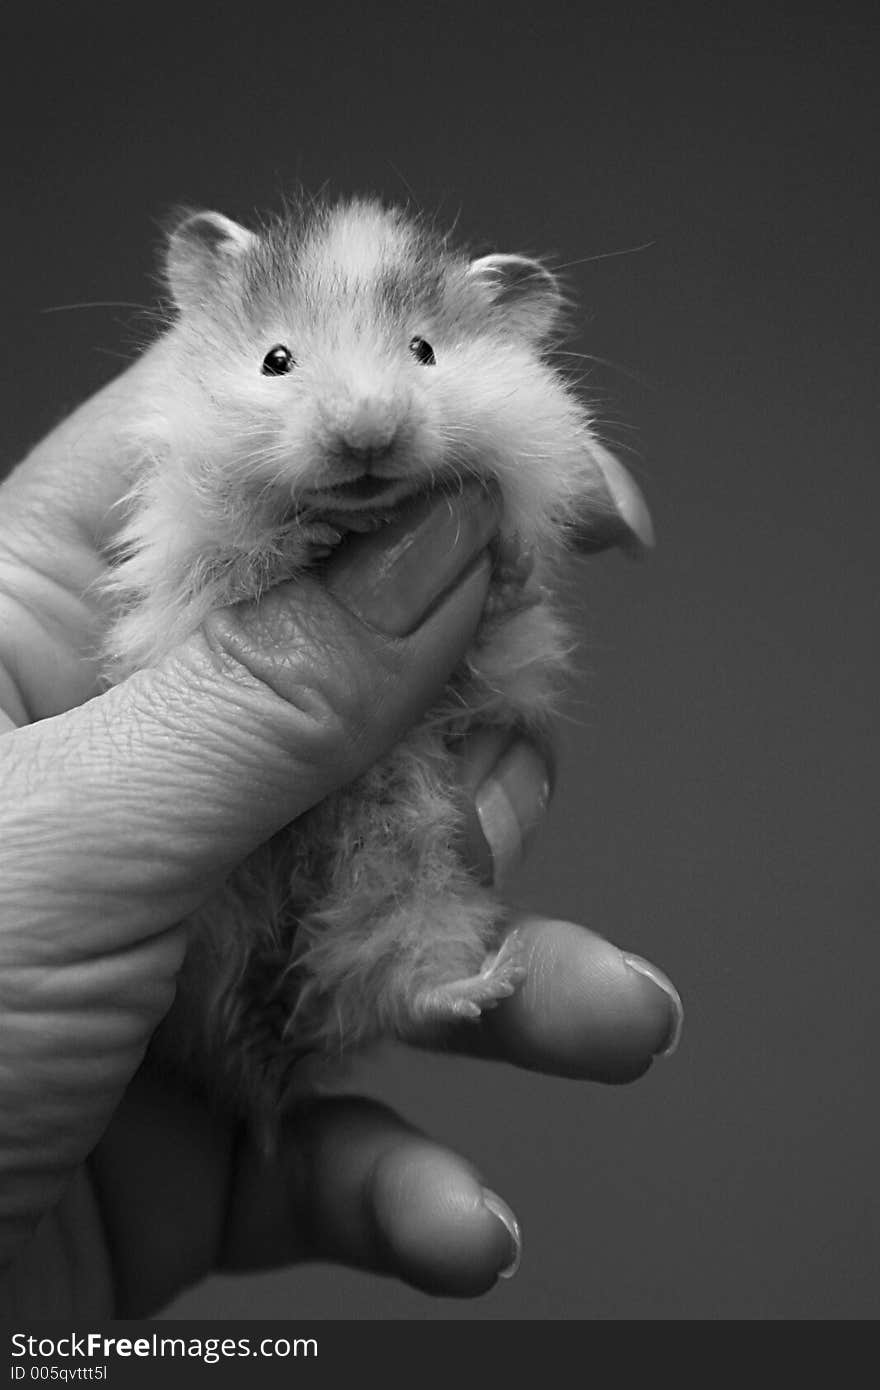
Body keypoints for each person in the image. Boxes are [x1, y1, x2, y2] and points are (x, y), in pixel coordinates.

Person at [0, 359, 682, 1316]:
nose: (367, 415)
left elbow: (516, 641)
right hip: (197, 906)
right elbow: (176, 606)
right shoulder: (190, 486)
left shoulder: (488, 484)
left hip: (375, 801)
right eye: (282, 362)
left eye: (418, 353)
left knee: (410, 830)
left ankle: (394, 979)